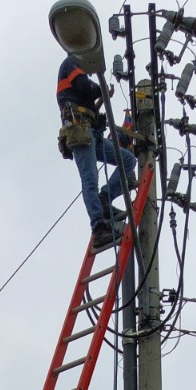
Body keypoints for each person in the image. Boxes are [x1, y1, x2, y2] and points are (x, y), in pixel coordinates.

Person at [56, 52, 137, 249]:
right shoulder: (71, 63)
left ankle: (104, 198)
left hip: (91, 131)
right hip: (79, 130)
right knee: (90, 178)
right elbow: (85, 87)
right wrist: (101, 90)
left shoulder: (77, 74)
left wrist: (102, 97)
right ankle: (98, 227)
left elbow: (87, 100)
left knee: (128, 159)